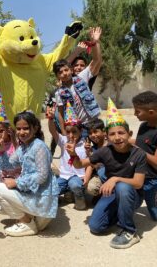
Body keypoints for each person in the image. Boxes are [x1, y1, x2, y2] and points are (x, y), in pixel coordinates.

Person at [71, 99, 147, 249]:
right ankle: (120, 215)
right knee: (96, 227)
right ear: (107, 136)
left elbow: (138, 183)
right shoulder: (105, 151)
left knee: (122, 187)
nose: (117, 137)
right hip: (111, 193)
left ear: (129, 134)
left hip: (133, 195)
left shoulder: (139, 154)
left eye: (121, 133)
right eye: (112, 134)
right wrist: (73, 154)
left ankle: (130, 231)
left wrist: (115, 178)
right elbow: (80, 164)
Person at [0, 111, 59, 236]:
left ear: (35, 128)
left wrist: (16, 182)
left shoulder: (39, 147)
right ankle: (28, 218)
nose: (21, 132)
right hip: (31, 195)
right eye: (19, 129)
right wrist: (1, 152)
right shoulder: (23, 147)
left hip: (41, 200)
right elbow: (9, 166)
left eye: (26, 128)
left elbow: (42, 176)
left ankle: (28, 222)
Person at [54, 26, 103, 136]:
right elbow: (61, 114)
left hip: (93, 122)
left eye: (66, 70)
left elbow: (97, 60)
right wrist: (63, 132)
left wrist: (95, 42)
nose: (64, 73)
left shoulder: (81, 78)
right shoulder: (59, 92)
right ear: (57, 76)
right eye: (60, 73)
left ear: (70, 70)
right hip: (77, 126)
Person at [47, 103, 87, 210]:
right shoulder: (63, 141)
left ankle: (79, 198)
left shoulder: (85, 144)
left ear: (81, 131)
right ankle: (65, 195)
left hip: (78, 177)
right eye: (68, 131)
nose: (70, 135)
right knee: (51, 189)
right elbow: (52, 131)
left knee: (75, 185)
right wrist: (51, 119)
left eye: (74, 132)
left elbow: (89, 161)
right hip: (63, 176)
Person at [132, 91, 157, 221]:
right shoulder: (143, 126)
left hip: (152, 179)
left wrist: (138, 150)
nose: (135, 114)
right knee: (132, 202)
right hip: (139, 174)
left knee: (153, 209)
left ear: (151, 112)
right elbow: (137, 143)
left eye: (138, 111)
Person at [84, 118, 108, 197]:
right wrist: (88, 153)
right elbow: (92, 165)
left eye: (95, 132)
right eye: (90, 133)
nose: (93, 135)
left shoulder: (110, 145)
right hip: (101, 176)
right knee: (91, 187)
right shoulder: (93, 148)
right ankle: (100, 195)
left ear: (104, 131)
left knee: (102, 171)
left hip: (112, 176)